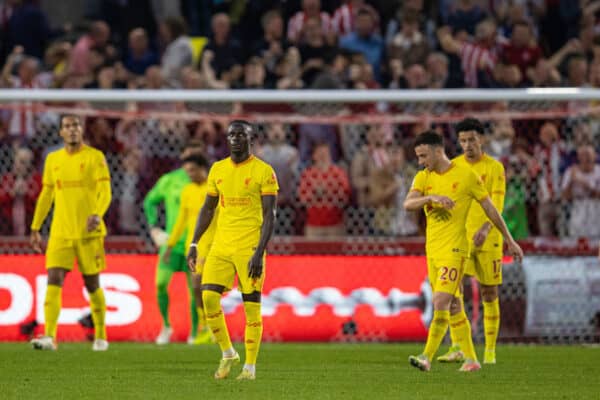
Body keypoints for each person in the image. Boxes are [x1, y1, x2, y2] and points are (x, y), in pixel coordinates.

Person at [404, 130, 523, 372]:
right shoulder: (423, 177)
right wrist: (431, 199)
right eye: (418, 157)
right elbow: (408, 204)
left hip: (456, 250)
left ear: (438, 151)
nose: (420, 162)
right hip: (433, 251)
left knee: (440, 301)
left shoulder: (466, 176)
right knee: (455, 305)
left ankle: (426, 356)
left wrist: (509, 240)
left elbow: (491, 209)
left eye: (423, 156)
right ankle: (471, 359)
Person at [187, 120, 278, 380]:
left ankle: (249, 367)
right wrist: (194, 243)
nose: (235, 138)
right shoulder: (217, 169)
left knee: (251, 307)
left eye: (241, 134)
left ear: (252, 138)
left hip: (249, 246)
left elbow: (270, 215)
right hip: (221, 245)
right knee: (208, 298)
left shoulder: (264, 172)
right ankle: (228, 352)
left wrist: (259, 251)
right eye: (231, 135)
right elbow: (208, 208)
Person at [29, 114, 111, 351]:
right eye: (67, 126)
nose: (72, 129)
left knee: (92, 283)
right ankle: (49, 337)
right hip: (60, 232)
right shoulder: (53, 159)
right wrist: (35, 227)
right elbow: (46, 195)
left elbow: (105, 191)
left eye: (76, 125)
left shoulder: (95, 157)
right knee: (54, 279)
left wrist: (97, 214)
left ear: (81, 130)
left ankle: (101, 335)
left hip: (89, 232)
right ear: (60, 133)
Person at [437, 118, 507, 365]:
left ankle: (489, 352)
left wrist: (487, 227)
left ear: (482, 140)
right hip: (461, 238)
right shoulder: (452, 166)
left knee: (489, 292)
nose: (467, 145)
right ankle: (457, 347)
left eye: (472, 140)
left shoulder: (495, 168)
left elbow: (497, 203)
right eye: (463, 140)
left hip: (489, 238)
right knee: (454, 292)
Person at [143, 141, 203, 345]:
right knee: (160, 284)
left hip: (197, 245)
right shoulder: (170, 180)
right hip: (173, 243)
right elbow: (150, 201)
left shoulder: (210, 181)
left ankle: (195, 332)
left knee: (194, 291)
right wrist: (154, 228)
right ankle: (166, 326)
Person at [163, 154, 216, 345]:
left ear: (203, 168)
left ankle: (211, 326)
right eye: (187, 171)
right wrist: (169, 246)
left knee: (206, 286)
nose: (190, 175)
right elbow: (181, 221)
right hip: (194, 246)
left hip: (214, 243)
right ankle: (207, 325)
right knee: (197, 287)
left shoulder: (215, 187)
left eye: (192, 170)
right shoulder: (187, 191)